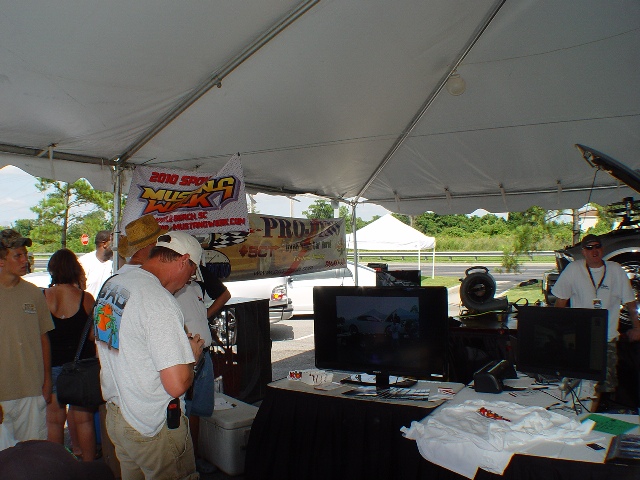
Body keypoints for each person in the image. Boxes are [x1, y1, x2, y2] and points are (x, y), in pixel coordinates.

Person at [94, 231, 205, 480]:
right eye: (192, 273)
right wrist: (191, 356)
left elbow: (105, 344)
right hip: (153, 425)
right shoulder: (158, 300)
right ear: (183, 260)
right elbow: (176, 384)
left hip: (119, 417)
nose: (188, 282)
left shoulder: (114, 284)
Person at [551, 233, 640, 401]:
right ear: (583, 252)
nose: (594, 251)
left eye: (597, 247)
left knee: (606, 386)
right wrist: (557, 331)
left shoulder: (615, 270)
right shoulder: (574, 269)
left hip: (607, 339)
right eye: (589, 248)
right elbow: (560, 301)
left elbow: (630, 302)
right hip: (580, 338)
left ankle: (602, 410)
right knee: (577, 382)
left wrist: (637, 327)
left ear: (602, 249)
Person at [0, 229, 54, 451]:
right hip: (2, 393)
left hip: (32, 390)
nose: (25, 260)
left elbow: (43, 337)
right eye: (18, 255)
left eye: (26, 254)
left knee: (33, 455)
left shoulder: (34, 293)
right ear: (1, 260)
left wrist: (47, 381)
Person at [43, 248, 97, 461]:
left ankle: (57, 468)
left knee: (54, 422)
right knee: (84, 421)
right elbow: (93, 335)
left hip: (52, 366)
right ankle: (88, 468)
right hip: (80, 369)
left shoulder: (43, 297)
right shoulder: (85, 298)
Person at [174, 269, 230, 473]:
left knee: (197, 410)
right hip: (186, 358)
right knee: (184, 411)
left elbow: (220, 298)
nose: (194, 270)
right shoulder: (170, 291)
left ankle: (193, 460)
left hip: (204, 355)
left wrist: (203, 318)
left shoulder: (197, 287)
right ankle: (183, 463)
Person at [79, 230, 114, 298]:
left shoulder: (117, 261)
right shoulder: (84, 262)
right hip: (89, 303)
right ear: (104, 244)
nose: (116, 245)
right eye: (113, 241)